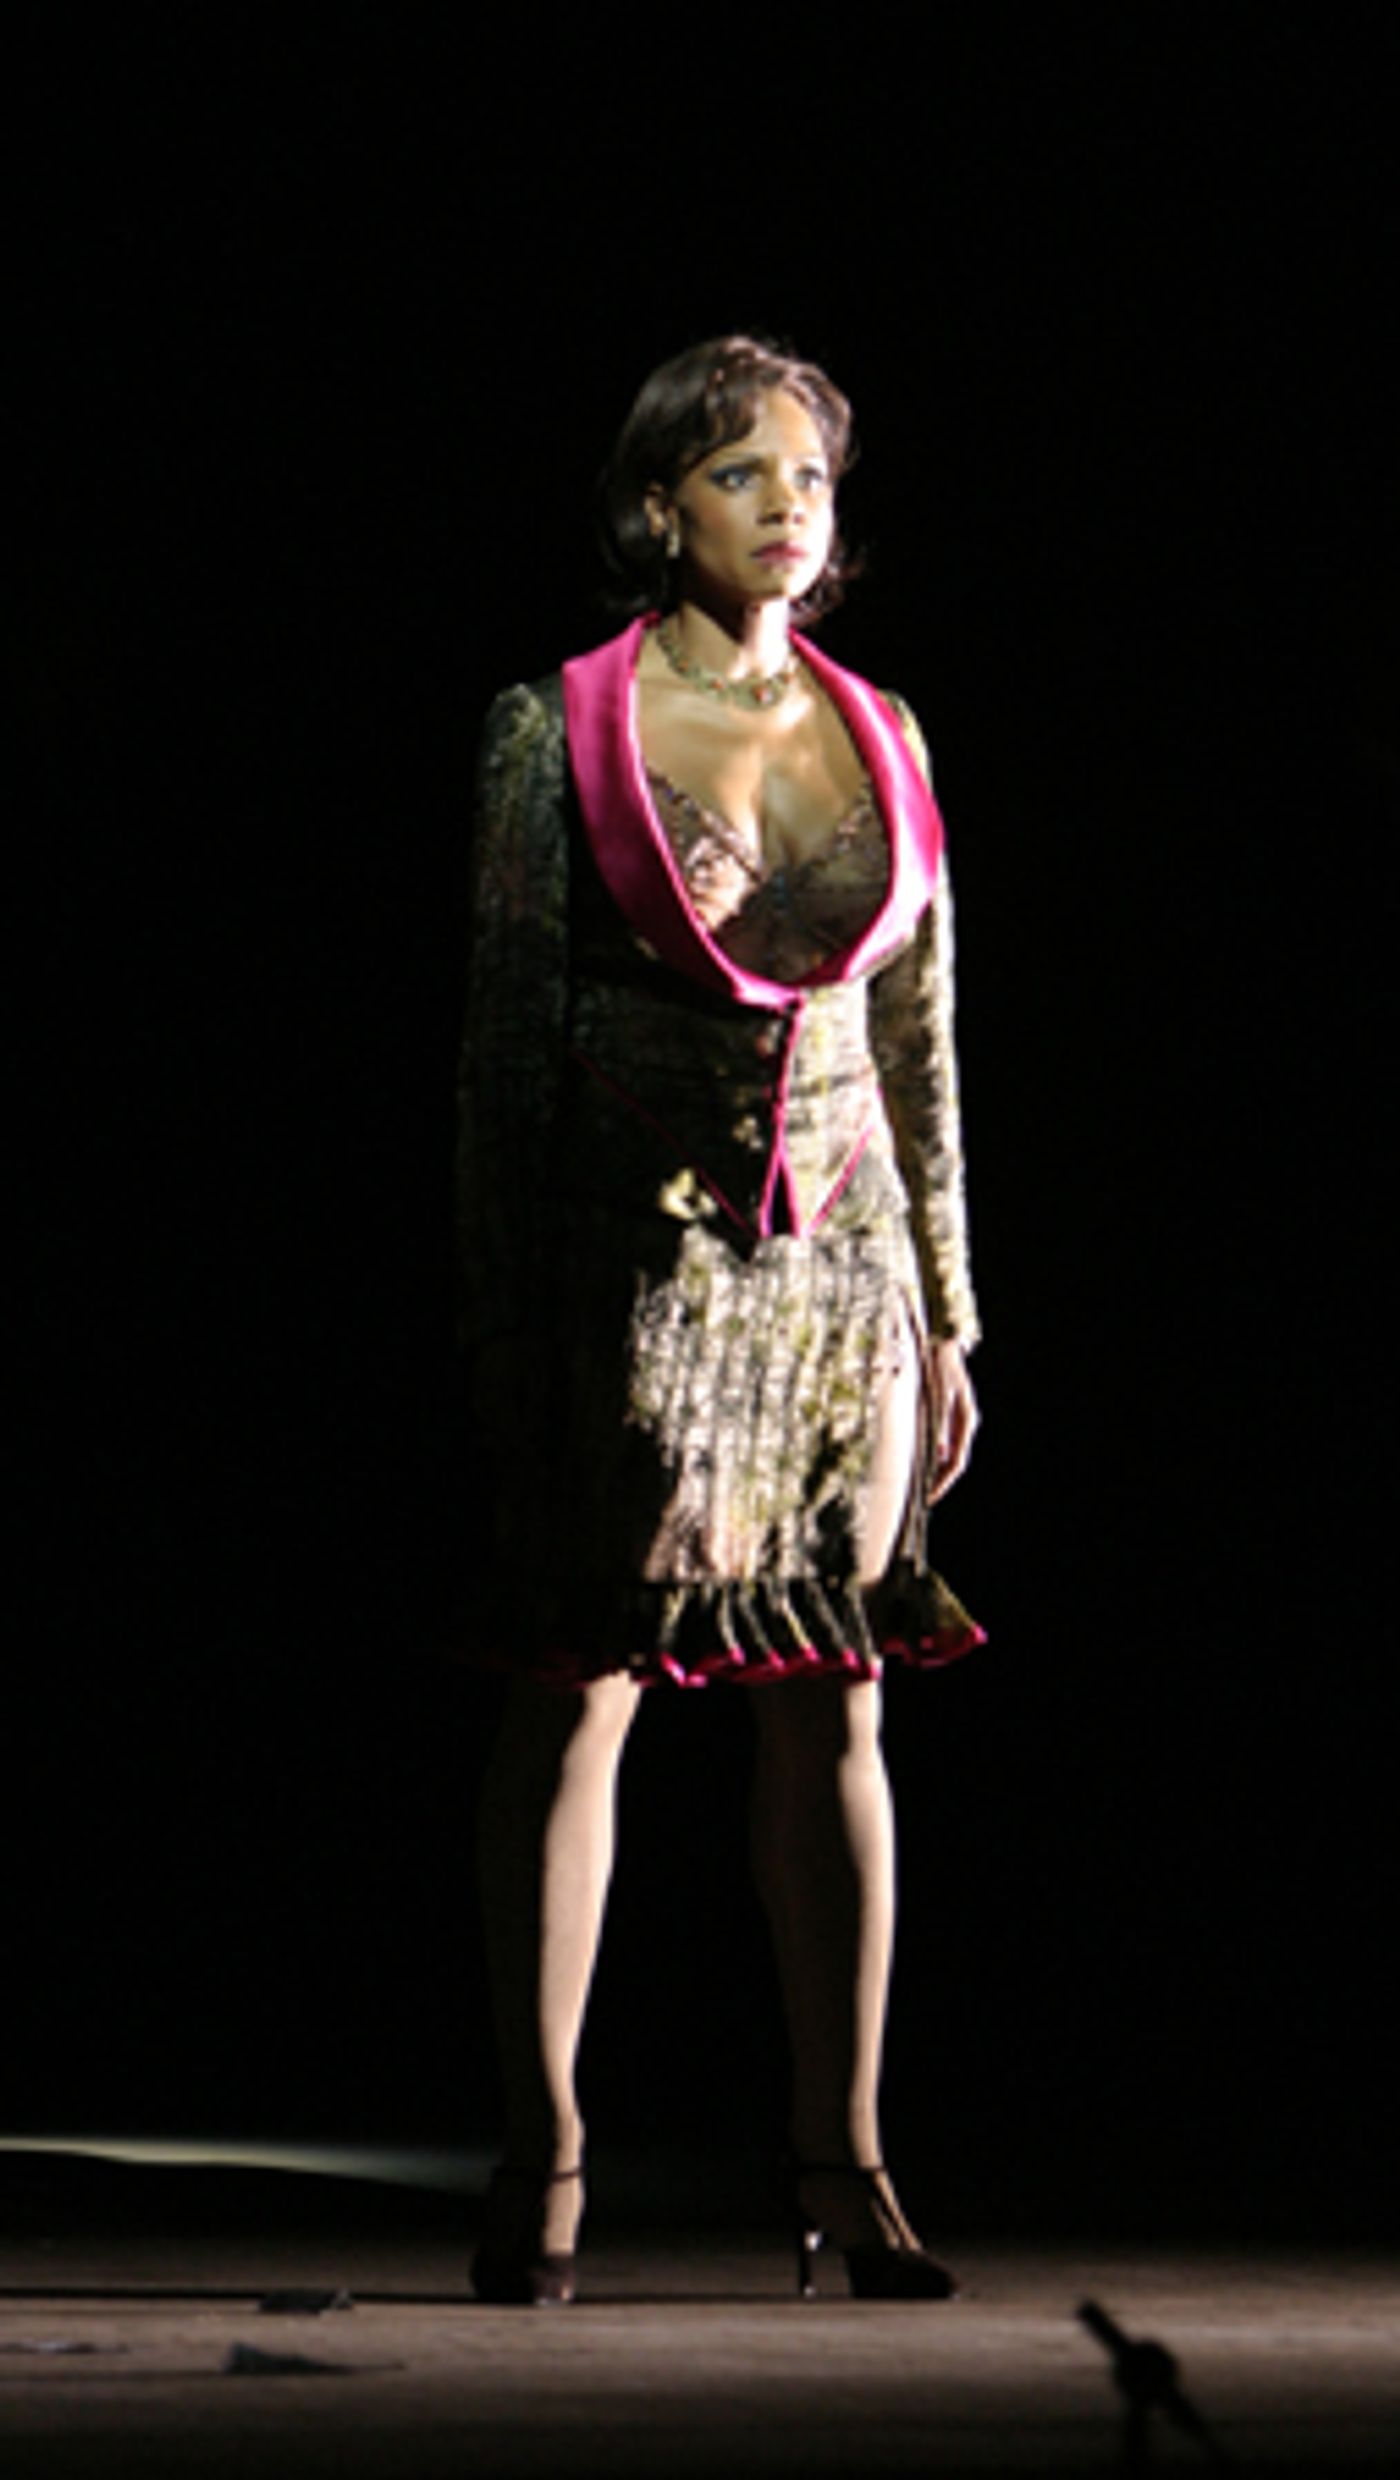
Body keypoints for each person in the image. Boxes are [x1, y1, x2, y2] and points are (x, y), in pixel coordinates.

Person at [457, 336, 981, 2304]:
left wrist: (948, 1313)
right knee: (580, 1682)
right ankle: (545, 2156)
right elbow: (505, 1040)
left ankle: (846, 2162)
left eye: (811, 478)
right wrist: (505, 1317)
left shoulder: (884, 728)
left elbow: (919, 1040)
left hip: (843, 1275)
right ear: (657, 503)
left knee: (837, 1695)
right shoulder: (557, 726)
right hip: (638, 1270)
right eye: (742, 472)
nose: (786, 507)